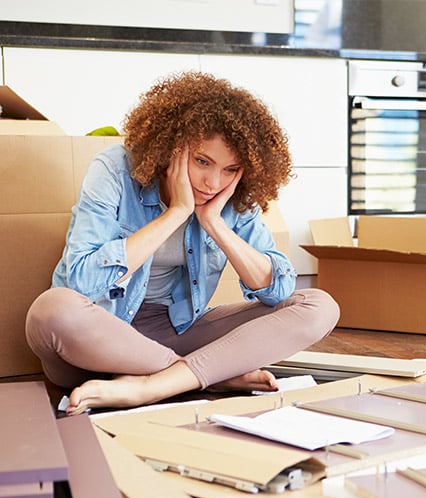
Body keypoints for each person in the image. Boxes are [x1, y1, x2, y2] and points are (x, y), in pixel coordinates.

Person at [25, 71, 340, 416]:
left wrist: (214, 223)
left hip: (173, 330)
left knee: (318, 306)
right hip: (97, 336)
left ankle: (152, 385)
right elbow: (82, 282)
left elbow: (277, 290)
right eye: (202, 161)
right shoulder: (114, 170)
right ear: (171, 147)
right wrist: (177, 212)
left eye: (230, 169)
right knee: (51, 310)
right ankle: (208, 376)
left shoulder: (232, 197)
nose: (213, 182)